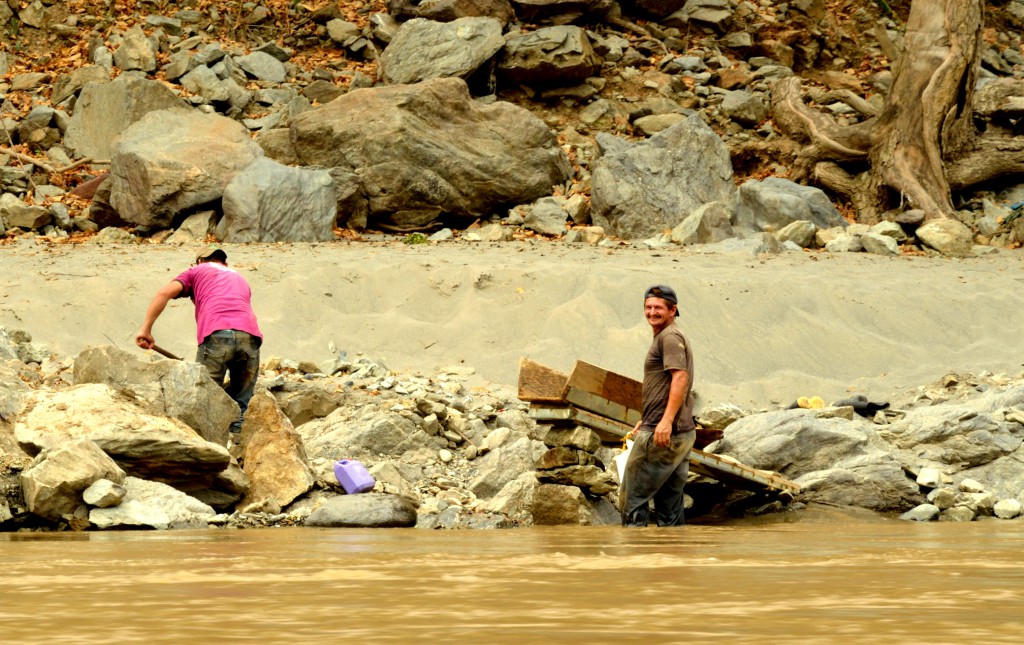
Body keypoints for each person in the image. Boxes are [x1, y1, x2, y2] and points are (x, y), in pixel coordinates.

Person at [135, 245, 262, 435]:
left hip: (217, 335)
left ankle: (208, 450)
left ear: (200, 261)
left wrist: (145, 329)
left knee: (204, 398)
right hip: (249, 336)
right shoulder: (238, 277)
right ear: (225, 262)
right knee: (242, 402)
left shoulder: (196, 270)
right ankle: (239, 448)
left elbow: (164, 294)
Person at [620, 284, 697, 527]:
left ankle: (635, 558)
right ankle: (670, 558)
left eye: (658, 308)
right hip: (679, 433)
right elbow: (665, 385)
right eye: (648, 307)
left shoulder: (670, 337)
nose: (652, 312)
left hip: (663, 433)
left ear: (673, 310)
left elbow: (680, 378)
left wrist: (663, 421)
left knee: (631, 499)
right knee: (670, 508)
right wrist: (652, 416)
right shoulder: (670, 336)